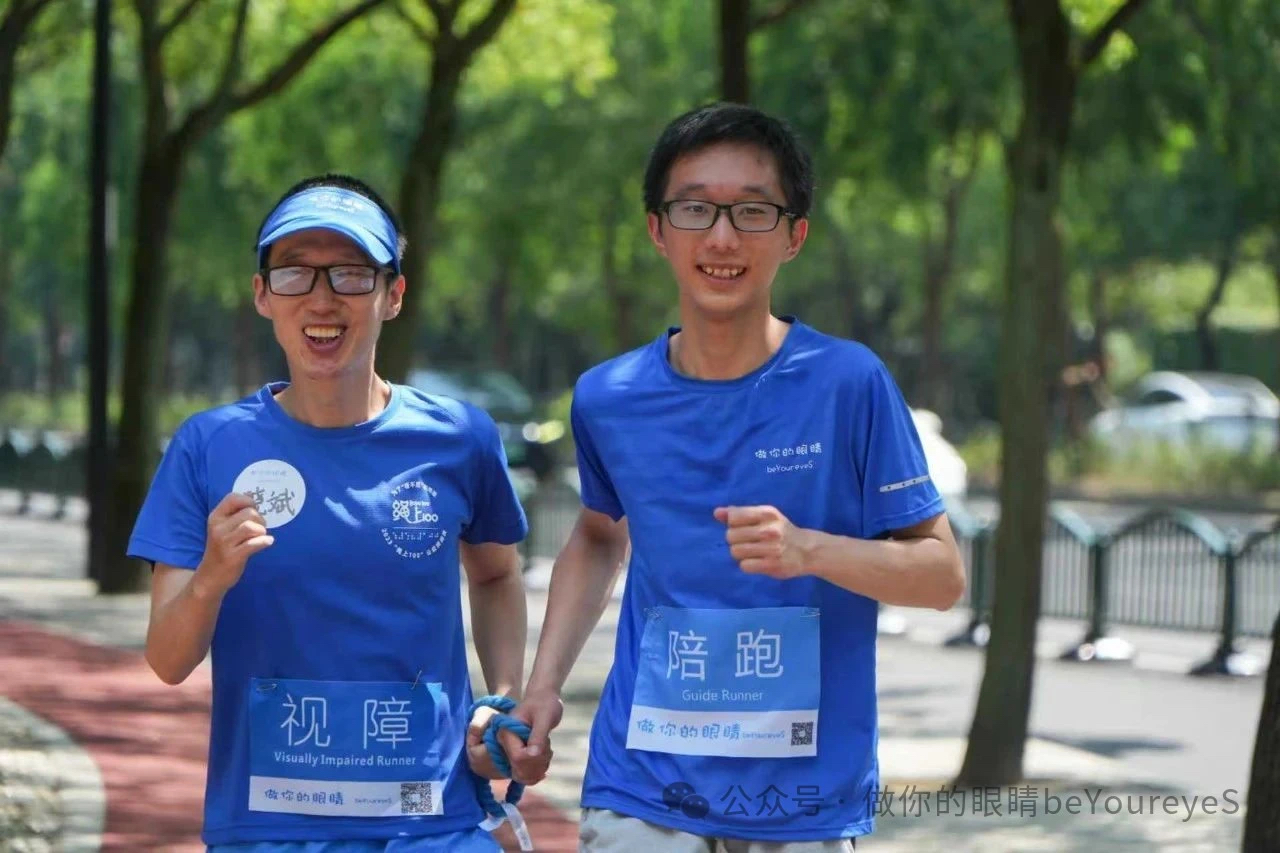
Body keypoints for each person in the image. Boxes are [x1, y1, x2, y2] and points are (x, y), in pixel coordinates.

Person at [507, 104, 967, 851]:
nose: (722, 237)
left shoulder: (849, 384)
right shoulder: (608, 396)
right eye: (695, 208)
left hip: (804, 800)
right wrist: (544, 684)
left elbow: (943, 575)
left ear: (795, 235)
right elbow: (598, 536)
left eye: (752, 211)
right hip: (644, 785)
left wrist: (811, 550)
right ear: (658, 229)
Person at [128, 174, 537, 852]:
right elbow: (168, 660)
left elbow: (495, 575)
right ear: (262, 294)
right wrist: (211, 578)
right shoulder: (208, 445)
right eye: (294, 272)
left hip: (430, 817)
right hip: (269, 822)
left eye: (350, 273)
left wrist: (501, 699)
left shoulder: (460, 437)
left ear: (392, 294)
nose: (322, 298)